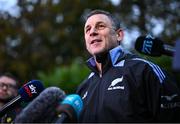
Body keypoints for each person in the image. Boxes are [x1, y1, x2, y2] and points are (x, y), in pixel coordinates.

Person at [76, 9, 180, 122]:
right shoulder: (82, 88)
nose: (92, 32)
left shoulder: (144, 70)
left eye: (100, 26)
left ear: (119, 35)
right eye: (88, 29)